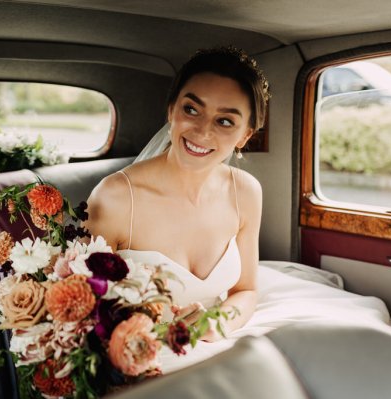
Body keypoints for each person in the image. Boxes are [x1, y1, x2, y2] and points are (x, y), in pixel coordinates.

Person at [83, 46, 269, 372]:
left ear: (245, 135)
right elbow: (82, 309)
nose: (202, 131)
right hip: (134, 364)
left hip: (213, 352)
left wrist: (216, 323)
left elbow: (246, 290)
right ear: (171, 111)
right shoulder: (114, 198)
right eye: (192, 110)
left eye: (225, 121)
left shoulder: (246, 193)